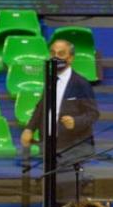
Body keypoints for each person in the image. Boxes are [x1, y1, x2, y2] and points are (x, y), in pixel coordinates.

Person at [20, 39, 99, 169]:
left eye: (61, 54)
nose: (56, 57)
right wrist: (30, 128)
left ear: (71, 58)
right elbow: (41, 107)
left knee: (66, 182)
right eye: (53, 53)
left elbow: (93, 113)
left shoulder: (81, 83)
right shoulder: (50, 79)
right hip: (48, 143)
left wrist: (76, 121)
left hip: (72, 145)